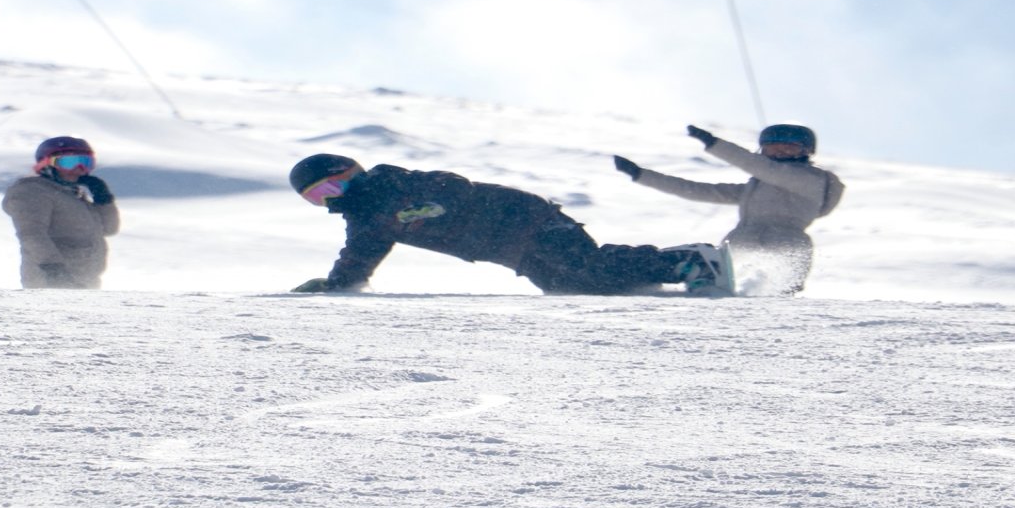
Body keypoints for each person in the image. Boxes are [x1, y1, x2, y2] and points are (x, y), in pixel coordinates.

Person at [288, 153, 731, 296]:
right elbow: (360, 254)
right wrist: (337, 285)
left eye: (337, 185)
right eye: (322, 197)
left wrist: (430, 206)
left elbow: (451, 185)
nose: (336, 198)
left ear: (355, 171)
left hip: (524, 219)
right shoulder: (364, 218)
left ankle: (692, 261)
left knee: (585, 264)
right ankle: (648, 283)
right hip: (507, 249)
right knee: (569, 287)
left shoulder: (390, 182)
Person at [613, 124, 844, 295]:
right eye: (772, 149)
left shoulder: (812, 180)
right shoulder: (758, 186)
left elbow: (762, 168)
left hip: (786, 241)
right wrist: (640, 174)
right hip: (740, 241)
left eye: (788, 148)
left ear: (806, 151)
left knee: (769, 293)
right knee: (718, 286)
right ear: (762, 150)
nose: (780, 154)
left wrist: (714, 144)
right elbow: (697, 190)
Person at [2, 136, 120, 289]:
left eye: (85, 163)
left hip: (85, 281)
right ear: (45, 164)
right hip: (51, 281)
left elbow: (109, 229)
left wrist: (103, 198)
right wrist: (54, 269)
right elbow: (31, 234)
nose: (78, 169)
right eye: (68, 163)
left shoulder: (73, 195)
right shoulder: (33, 191)